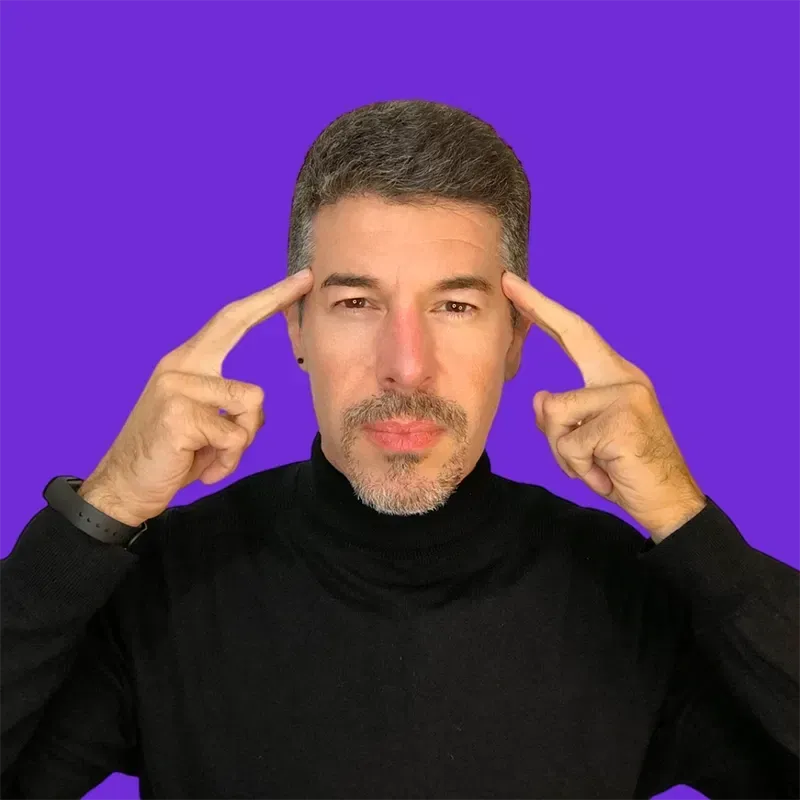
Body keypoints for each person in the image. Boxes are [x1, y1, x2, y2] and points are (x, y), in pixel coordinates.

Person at [1, 99, 797, 799]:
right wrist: (104, 509)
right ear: (296, 330)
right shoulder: (165, 589)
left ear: (517, 339)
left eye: (455, 306)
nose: (406, 366)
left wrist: (686, 523)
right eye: (356, 302)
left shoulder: (632, 601)